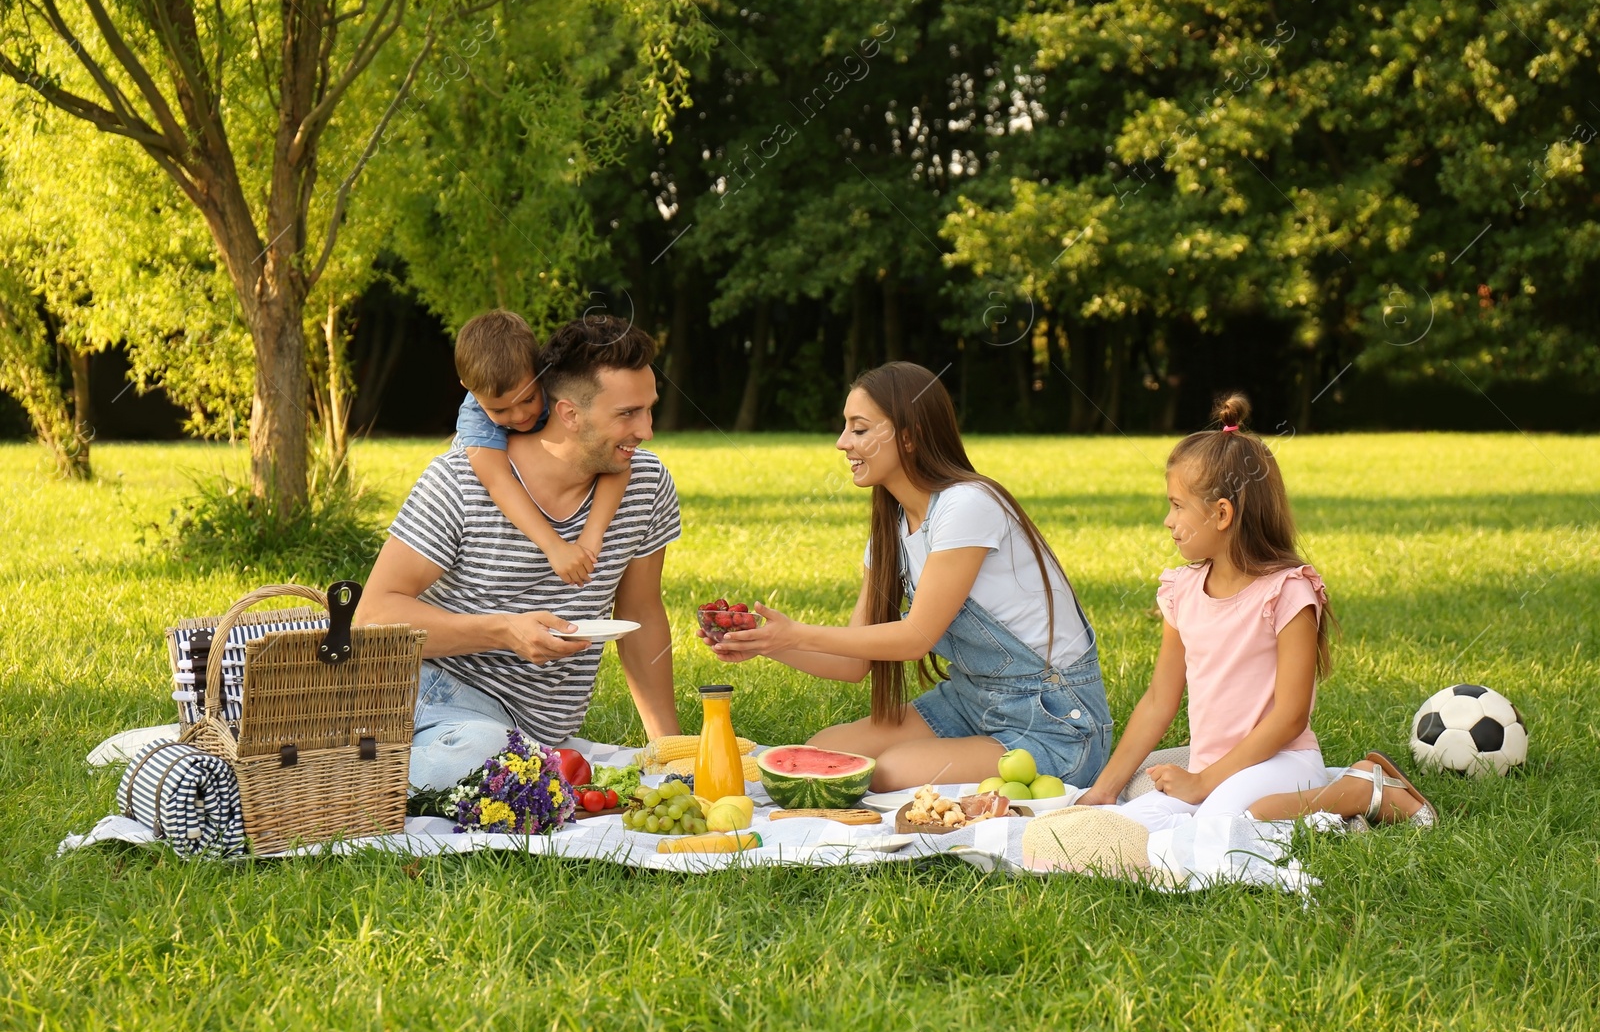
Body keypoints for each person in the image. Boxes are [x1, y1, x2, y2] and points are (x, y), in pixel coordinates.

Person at [703, 361, 1112, 792]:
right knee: (824, 750)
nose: (842, 443)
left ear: (910, 436)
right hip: (970, 702)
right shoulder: (891, 529)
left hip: (1054, 722)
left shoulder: (967, 505)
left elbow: (915, 637)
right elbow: (854, 662)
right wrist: (765, 642)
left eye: (859, 429)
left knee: (892, 771)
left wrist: (798, 634)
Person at [1075, 394, 1434, 830]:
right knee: (1130, 826)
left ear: (1222, 513)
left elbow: (1290, 717)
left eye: (1176, 505)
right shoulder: (1182, 590)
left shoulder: (1287, 593)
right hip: (1214, 769)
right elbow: (1157, 700)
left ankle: (1360, 791)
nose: (1167, 521)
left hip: (1282, 759)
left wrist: (1203, 782)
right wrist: (1105, 791)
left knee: (1231, 823)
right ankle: (1337, 794)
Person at [356, 313, 682, 791]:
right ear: (569, 413)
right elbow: (372, 619)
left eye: (649, 410)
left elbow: (641, 614)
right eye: (628, 414)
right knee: (485, 753)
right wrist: (505, 631)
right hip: (438, 696)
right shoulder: (458, 481)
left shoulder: (647, 484)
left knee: (516, 764)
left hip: (536, 733)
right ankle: (305, 785)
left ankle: (510, 763)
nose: (647, 430)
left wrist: (670, 751)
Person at [453, 310, 629, 586]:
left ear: (541, 372)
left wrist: (592, 534)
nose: (518, 416)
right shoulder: (475, 418)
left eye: (529, 399)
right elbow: (498, 482)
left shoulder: (558, 389)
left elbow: (615, 462)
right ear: (469, 390)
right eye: (499, 410)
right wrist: (553, 546)